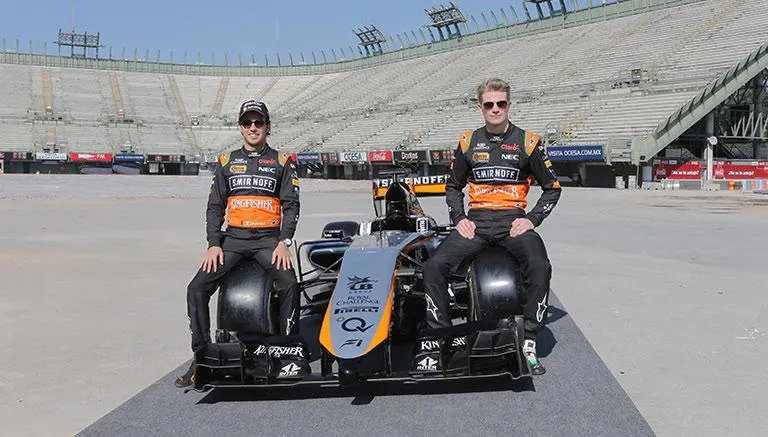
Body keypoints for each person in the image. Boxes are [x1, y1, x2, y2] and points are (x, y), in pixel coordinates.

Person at [421, 78, 562, 375]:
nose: (495, 109)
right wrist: (459, 219)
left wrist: (532, 219)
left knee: (540, 265)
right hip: (478, 223)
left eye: (501, 103)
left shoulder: (529, 142)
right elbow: (453, 186)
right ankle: (443, 338)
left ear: (510, 105)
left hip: (514, 223)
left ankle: (529, 338)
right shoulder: (467, 142)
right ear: (480, 107)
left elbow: (553, 188)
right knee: (433, 267)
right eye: (489, 104)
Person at [175, 99, 302, 387]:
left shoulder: (282, 161)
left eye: (259, 122)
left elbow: (291, 205)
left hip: (269, 240)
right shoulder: (226, 162)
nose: (253, 128)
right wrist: (213, 243)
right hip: (232, 240)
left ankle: (288, 351)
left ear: (268, 127)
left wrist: (285, 241)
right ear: (241, 128)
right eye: (248, 123)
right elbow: (214, 207)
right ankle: (201, 355)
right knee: (196, 288)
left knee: (289, 284)